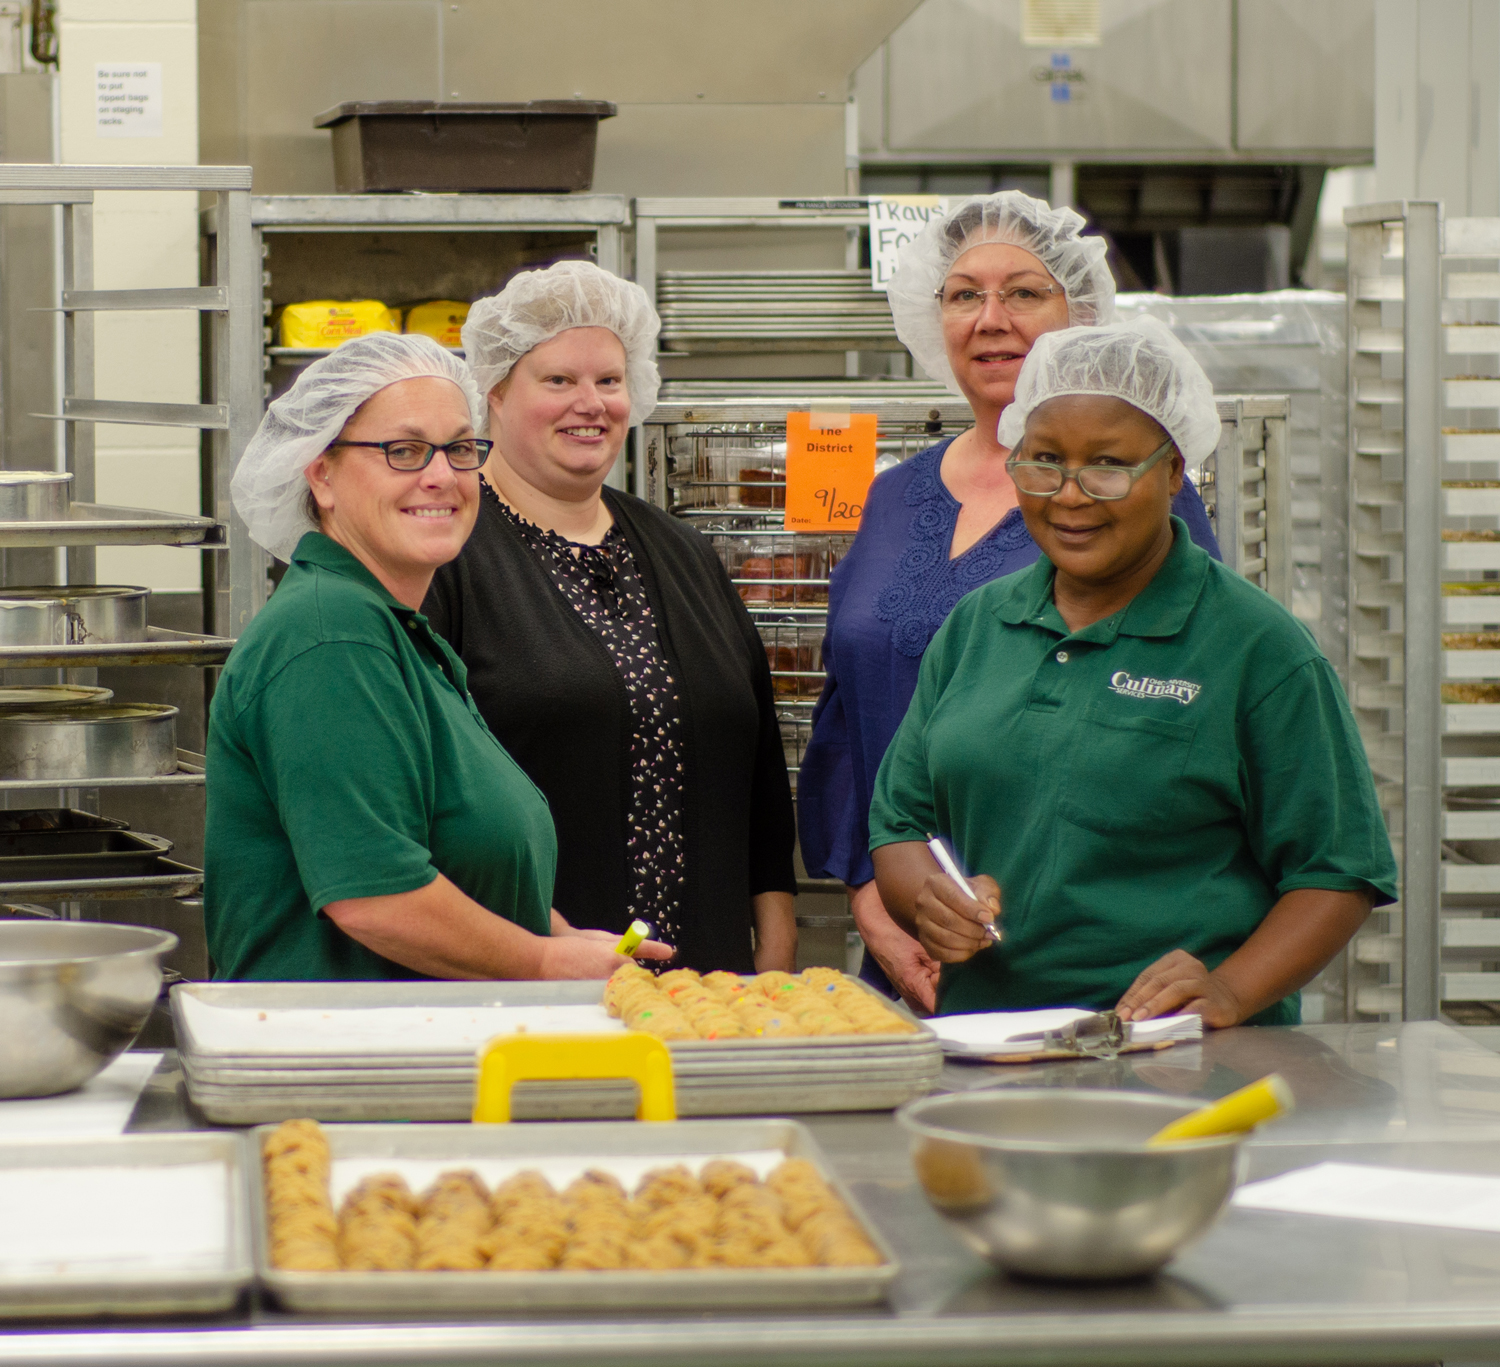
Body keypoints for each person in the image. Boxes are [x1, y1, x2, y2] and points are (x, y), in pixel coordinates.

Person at [867, 317, 1397, 1026]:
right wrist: (930, 898)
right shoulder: (977, 625)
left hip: (1180, 1064)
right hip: (989, 1047)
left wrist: (1233, 988)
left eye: (1109, 465)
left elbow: (1337, 872)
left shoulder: (1256, 648)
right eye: (1044, 459)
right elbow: (902, 823)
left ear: (1174, 470)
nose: (1070, 494)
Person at [797, 191, 1222, 1013]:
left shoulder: (1137, 499)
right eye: (963, 294)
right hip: (904, 934)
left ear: (1081, 313)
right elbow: (846, 716)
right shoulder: (893, 498)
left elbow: (1181, 719)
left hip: (1085, 949)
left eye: (1024, 292)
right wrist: (873, 902)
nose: (990, 318)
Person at [206, 332, 673, 981]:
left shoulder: (400, 635)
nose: (440, 476)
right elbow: (375, 895)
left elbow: (454, 855)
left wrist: (560, 935)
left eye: (458, 448)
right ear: (322, 473)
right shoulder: (329, 637)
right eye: (403, 450)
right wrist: (540, 959)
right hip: (340, 1060)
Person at [423, 261, 797, 975]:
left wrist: (774, 934)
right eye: (558, 381)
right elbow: (428, 792)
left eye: (609, 381)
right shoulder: (449, 557)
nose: (589, 403)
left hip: (709, 979)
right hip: (527, 974)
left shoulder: (683, 551)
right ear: (494, 393)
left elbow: (756, 767)